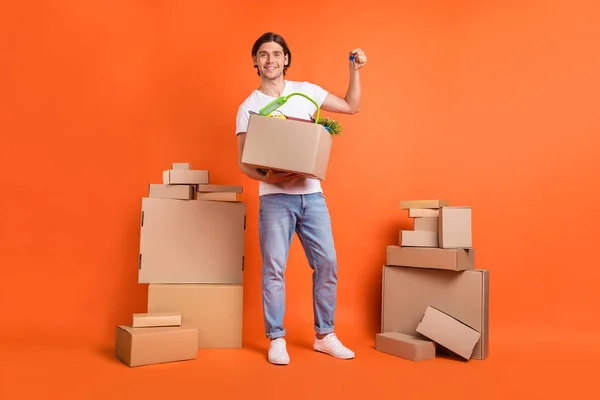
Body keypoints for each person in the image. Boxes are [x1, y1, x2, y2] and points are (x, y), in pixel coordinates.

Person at [235, 32, 367, 365]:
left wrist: (355, 69)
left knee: (327, 265)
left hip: (313, 197)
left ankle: (325, 336)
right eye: (263, 55)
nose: (270, 60)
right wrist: (270, 176)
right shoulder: (248, 107)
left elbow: (352, 106)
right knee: (274, 271)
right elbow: (243, 162)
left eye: (277, 54)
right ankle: (276, 339)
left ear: (286, 59)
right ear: (255, 61)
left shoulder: (306, 92)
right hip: (274, 198)